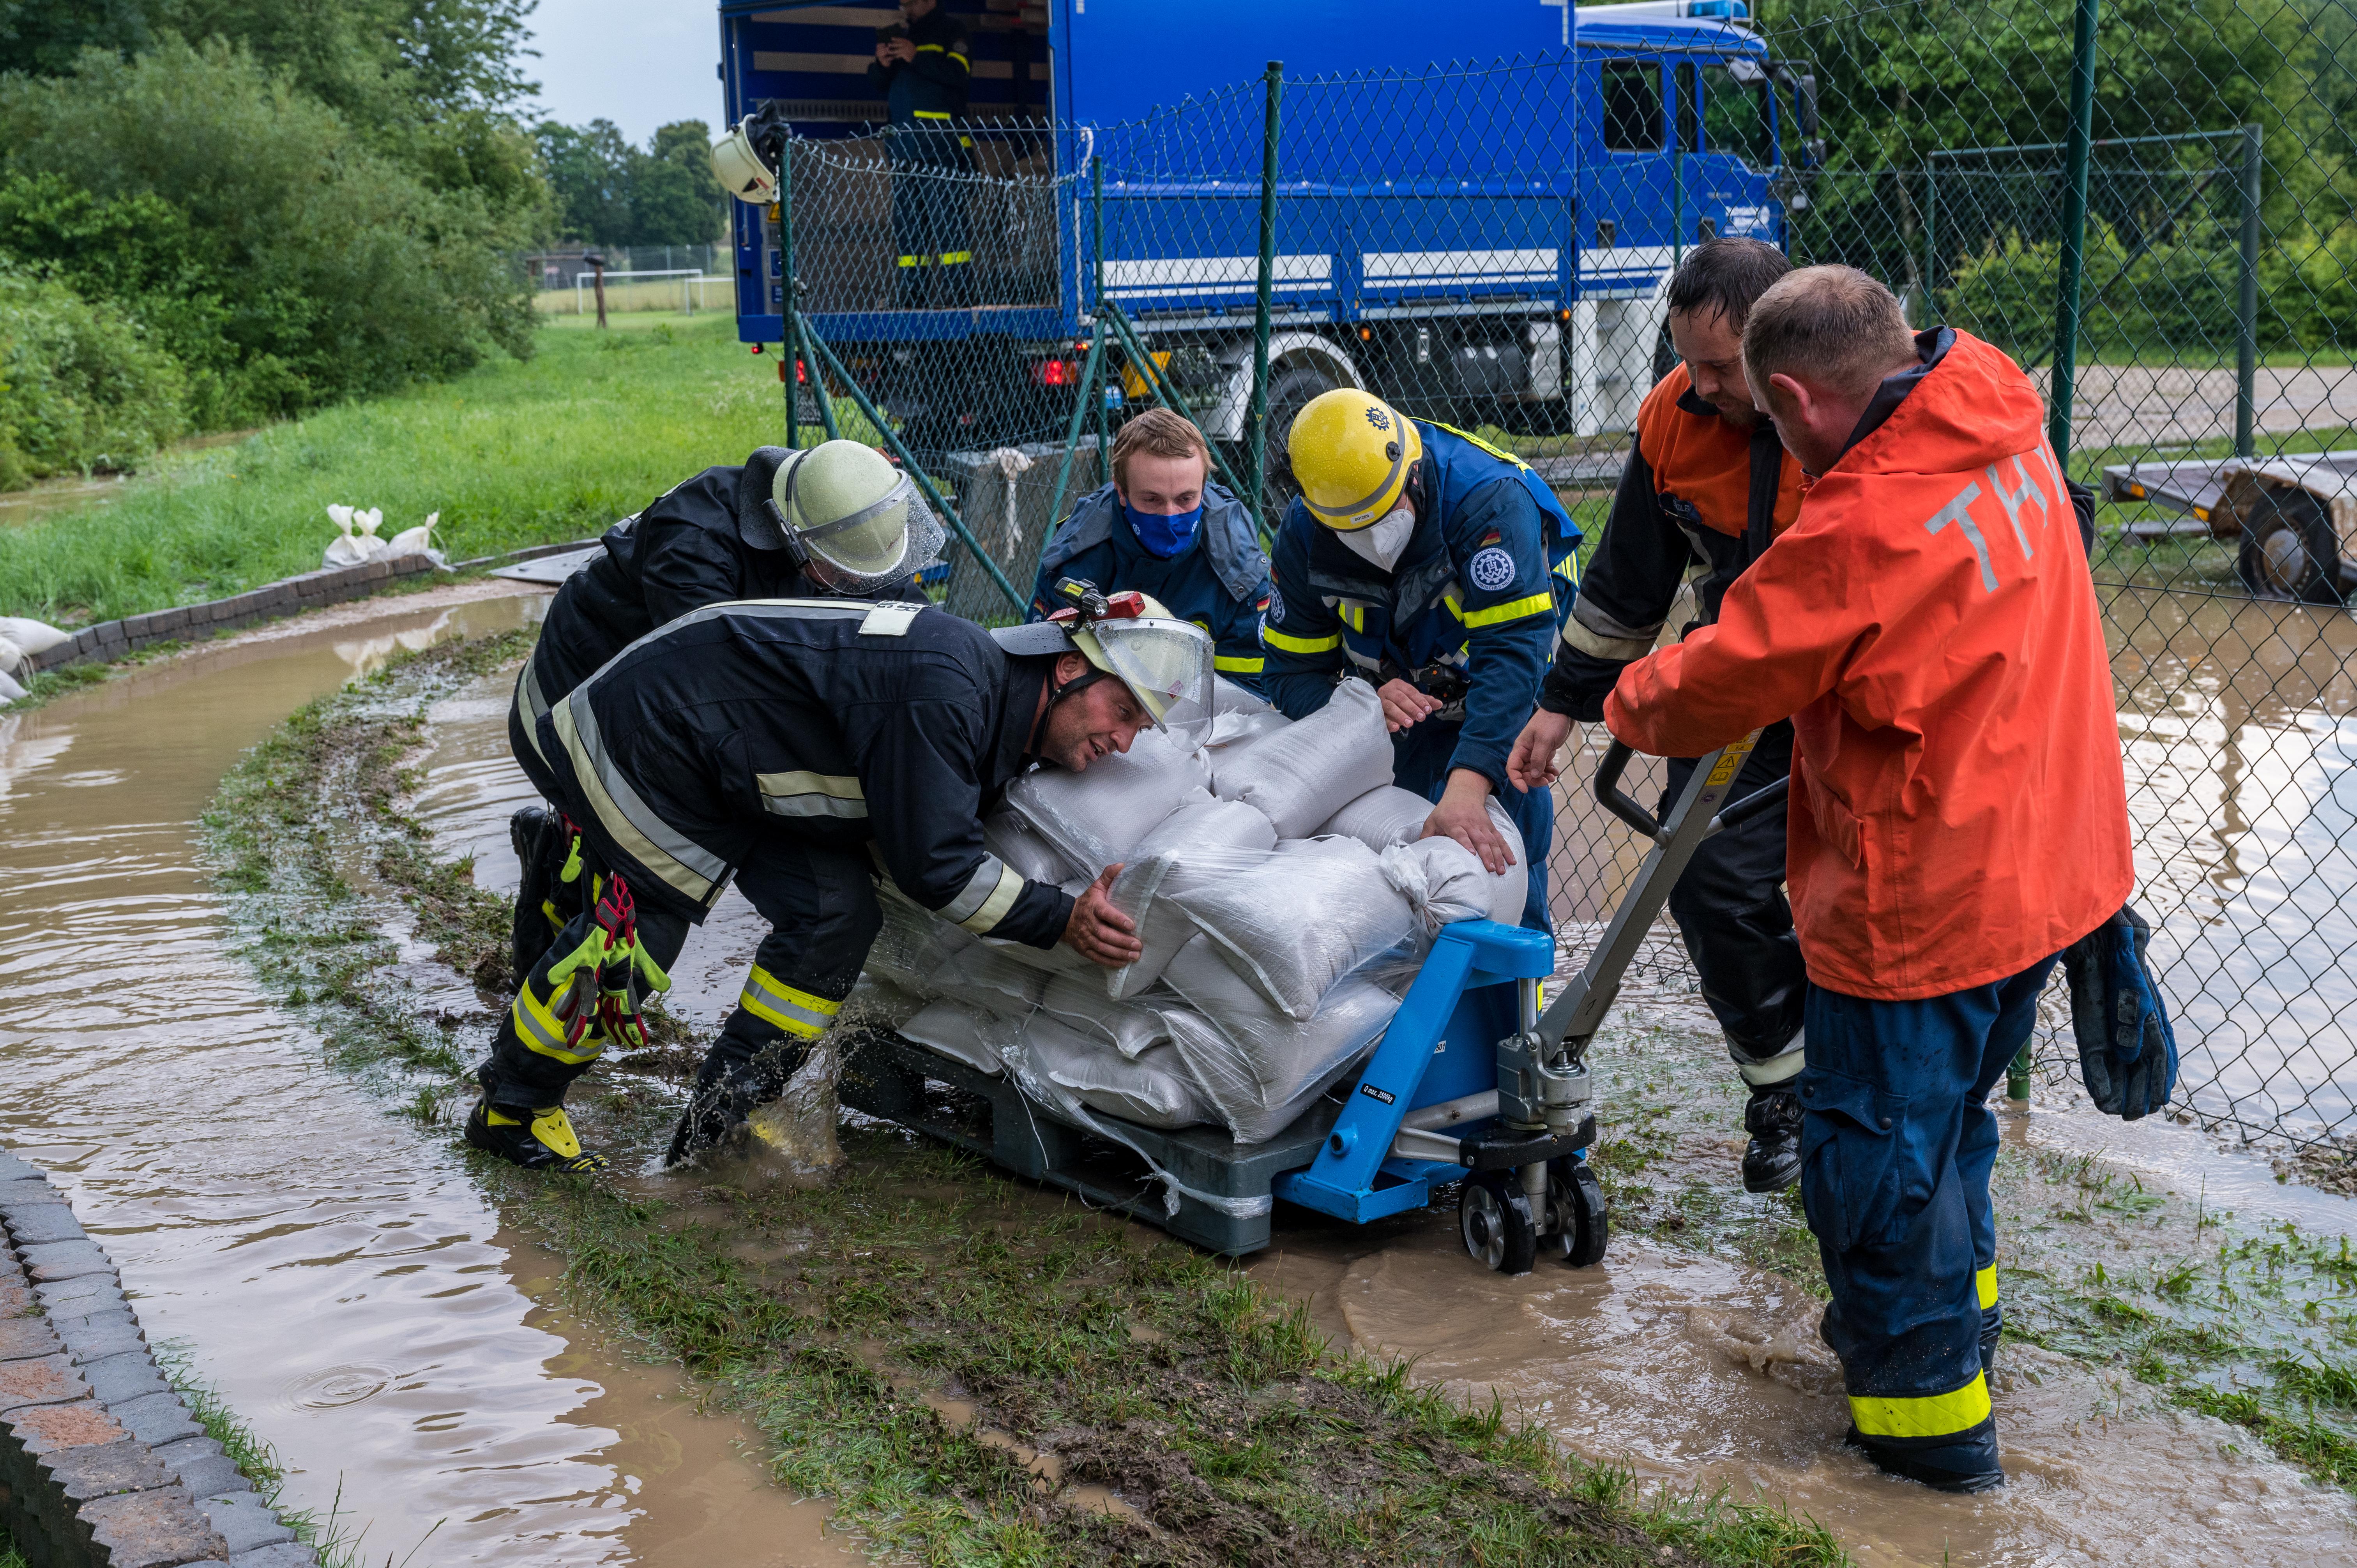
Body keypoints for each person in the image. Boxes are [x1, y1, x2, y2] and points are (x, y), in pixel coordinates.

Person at [1597, 265, 2133, 1493]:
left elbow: (1721, 675)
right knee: (1950, 1140)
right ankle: (1966, 1338)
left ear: (1796, 397)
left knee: (1878, 1177)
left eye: (1775, 426)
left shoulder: (1862, 524)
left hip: (1924, 903)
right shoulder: (1995, 407)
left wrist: (1625, 697)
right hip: (2046, 868)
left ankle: (1927, 1462)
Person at [464, 590, 1212, 1174]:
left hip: (742, 773)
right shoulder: (952, 689)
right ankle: (513, 1109)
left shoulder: (989, 701)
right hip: (656, 736)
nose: (1122, 739)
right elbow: (937, 870)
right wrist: (1060, 917)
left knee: (836, 918)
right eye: (1121, 709)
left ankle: (722, 1113)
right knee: (635, 943)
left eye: (1140, 728)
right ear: (1065, 666)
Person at [1505, 238, 1812, 1193]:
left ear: (1782, 348)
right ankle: (1789, 1092)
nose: (1701, 381)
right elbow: (1625, 590)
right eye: (1687, 358)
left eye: (1721, 365)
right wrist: (1562, 707)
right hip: (1737, 684)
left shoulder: (1846, 415)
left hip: (1860, 689)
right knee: (1708, 874)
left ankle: (1882, 1089)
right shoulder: (1673, 420)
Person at [506, 440, 939, 981]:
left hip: (682, 730)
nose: (857, 590)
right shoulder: (695, 547)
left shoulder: (841, 516)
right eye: (844, 576)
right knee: (642, 909)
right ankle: (545, 923)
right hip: (577, 712)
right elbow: (725, 704)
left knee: (833, 904)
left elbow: (905, 620)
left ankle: (565, 856)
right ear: (794, 541)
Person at [1259, 389, 1581, 931]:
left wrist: (1470, 781)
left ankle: (1519, 1002)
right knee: (1399, 866)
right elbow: (1291, 675)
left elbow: (1513, 654)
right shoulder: (1304, 533)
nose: (1375, 540)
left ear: (1413, 475)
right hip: (1397, 705)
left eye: (1385, 516)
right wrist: (1358, 708)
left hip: (1503, 691)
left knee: (1505, 849)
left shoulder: (1487, 500)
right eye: (1352, 529)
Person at [1029, 408, 1272, 691]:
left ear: (1204, 488)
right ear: (1121, 492)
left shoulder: (1239, 569)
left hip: (1201, 721)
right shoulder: (1077, 556)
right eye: (1152, 500)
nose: (1170, 516)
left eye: (1186, 499)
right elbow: (1041, 673)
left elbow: (1249, 689)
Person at [868, 0, 972, 308]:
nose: (904, 5)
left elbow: (959, 74)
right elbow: (879, 85)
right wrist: (882, 65)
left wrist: (916, 57)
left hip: (940, 147)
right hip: (903, 148)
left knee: (948, 225)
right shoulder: (902, 38)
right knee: (909, 229)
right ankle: (913, 298)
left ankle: (961, 298)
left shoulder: (952, 30)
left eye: (909, 0)